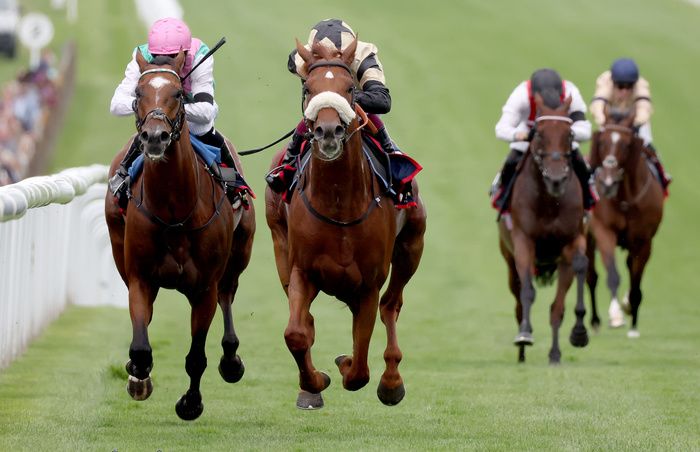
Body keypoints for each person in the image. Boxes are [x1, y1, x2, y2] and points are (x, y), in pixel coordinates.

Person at [266, 19, 415, 206]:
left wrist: (342, 95)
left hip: (356, 110)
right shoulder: (300, 60)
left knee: (371, 118)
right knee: (311, 118)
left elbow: (382, 101)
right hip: (320, 113)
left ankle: (396, 165)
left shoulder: (363, 57)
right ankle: (286, 168)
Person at [108, 17, 239, 207]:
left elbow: (206, 111)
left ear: (185, 53)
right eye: (158, 56)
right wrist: (155, 108)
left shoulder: (200, 54)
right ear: (150, 52)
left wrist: (170, 106)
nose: (165, 62)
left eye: (173, 57)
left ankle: (235, 187)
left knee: (203, 129)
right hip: (156, 121)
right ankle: (122, 174)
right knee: (146, 134)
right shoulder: (141, 56)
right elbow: (116, 105)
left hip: (194, 117)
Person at [492, 68, 595, 212]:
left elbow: (585, 129)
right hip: (529, 137)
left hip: (561, 140)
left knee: (580, 164)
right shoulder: (521, 94)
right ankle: (502, 197)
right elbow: (501, 128)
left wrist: (565, 133)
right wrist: (518, 135)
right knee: (510, 163)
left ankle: (588, 198)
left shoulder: (571, 93)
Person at [589, 58, 670, 190]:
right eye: (620, 86)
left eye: (629, 87)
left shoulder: (641, 85)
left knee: (648, 146)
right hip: (610, 122)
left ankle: (662, 177)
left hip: (633, 123)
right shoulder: (605, 82)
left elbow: (644, 107)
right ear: (613, 83)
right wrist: (603, 120)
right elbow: (597, 105)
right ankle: (589, 181)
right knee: (597, 145)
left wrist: (636, 123)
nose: (624, 92)